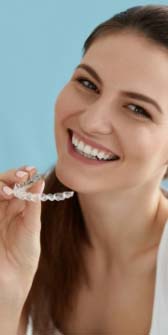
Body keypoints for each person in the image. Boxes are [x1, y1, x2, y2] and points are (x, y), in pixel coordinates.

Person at [1, 4, 168, 335]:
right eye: (88, 84)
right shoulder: (15, 240)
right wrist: (5, 293)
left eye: (137, 109)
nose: (91, 121)